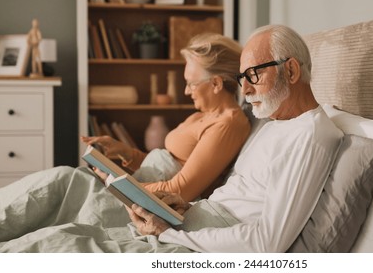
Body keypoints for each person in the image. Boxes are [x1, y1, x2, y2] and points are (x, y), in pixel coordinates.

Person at [125, 24, 344, 252]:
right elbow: (240, 197)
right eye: (243, 78)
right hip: (195, 223)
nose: (245, 89)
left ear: (290, 71)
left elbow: (266, 242)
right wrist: (187, 207)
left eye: (254, 74)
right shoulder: (272, 125)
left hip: (200, 240)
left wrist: (169, 235)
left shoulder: (310, 135)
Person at [82, 33, 251, 201]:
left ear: (216, 83)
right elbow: (163, 167)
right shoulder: (203, 115)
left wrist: (113, 184)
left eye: (192, 84)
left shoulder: (228, 125)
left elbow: (179, 190)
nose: (186, 91)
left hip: (152, 201)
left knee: (72, 180)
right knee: (72, 177)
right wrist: (127, 153)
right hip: (144, 189)